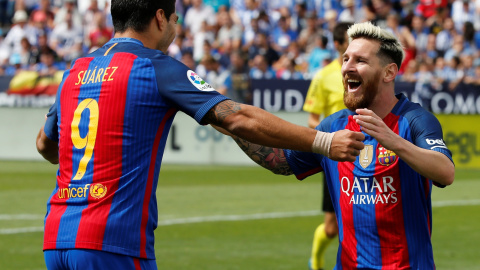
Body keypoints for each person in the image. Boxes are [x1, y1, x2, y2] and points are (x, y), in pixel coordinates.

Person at [35, 1, 365, 269]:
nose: (176, 30)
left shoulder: (74, 71)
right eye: (176, 20)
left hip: (56, 237)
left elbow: (45, 144)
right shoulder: (156, 66)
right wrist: (323, 141)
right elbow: (235, 116)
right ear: (160, 18)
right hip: (112, 240)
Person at [219, 21, 455, 269]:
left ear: (389, 72)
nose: (347, 68)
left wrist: (393, 141)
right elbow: (279, 160)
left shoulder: (415, 120)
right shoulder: (333, 126)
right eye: (345, 59)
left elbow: (445, 172)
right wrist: (225, 120)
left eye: (360, 61)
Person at [303, 21, 352, 270]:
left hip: (366, 152)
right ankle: (317, 261)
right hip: (336, 156)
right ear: (337, 45)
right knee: (332, 227)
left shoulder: (364, 71)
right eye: (348, 41)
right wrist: (325, 139)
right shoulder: (324, 76)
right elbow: (313, 115)